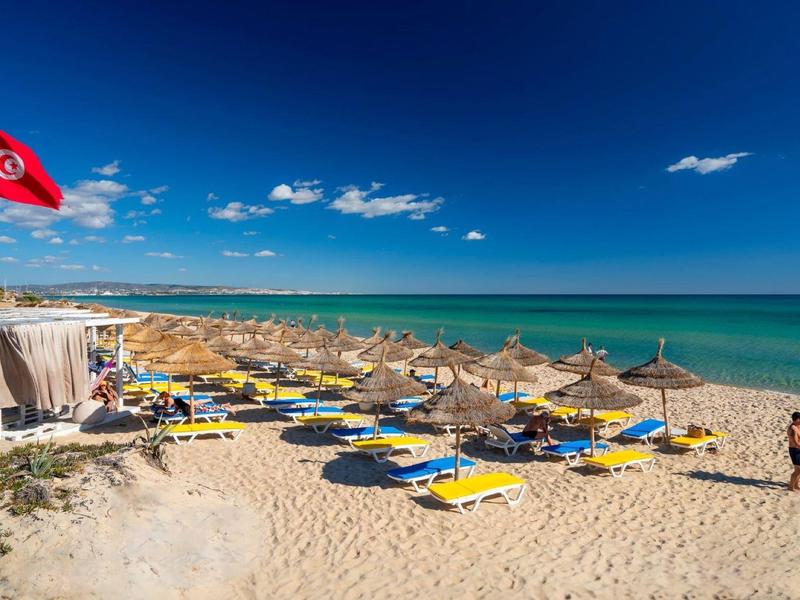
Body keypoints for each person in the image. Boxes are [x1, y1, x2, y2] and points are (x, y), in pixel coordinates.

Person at [788, 412, 800, 492]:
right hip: (795, 450)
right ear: (796, 419)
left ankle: (796, 485)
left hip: (798, 449)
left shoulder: (798, 426)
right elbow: (795, 442)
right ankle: (790, 487)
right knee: (798, 470)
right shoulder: (792, 429)